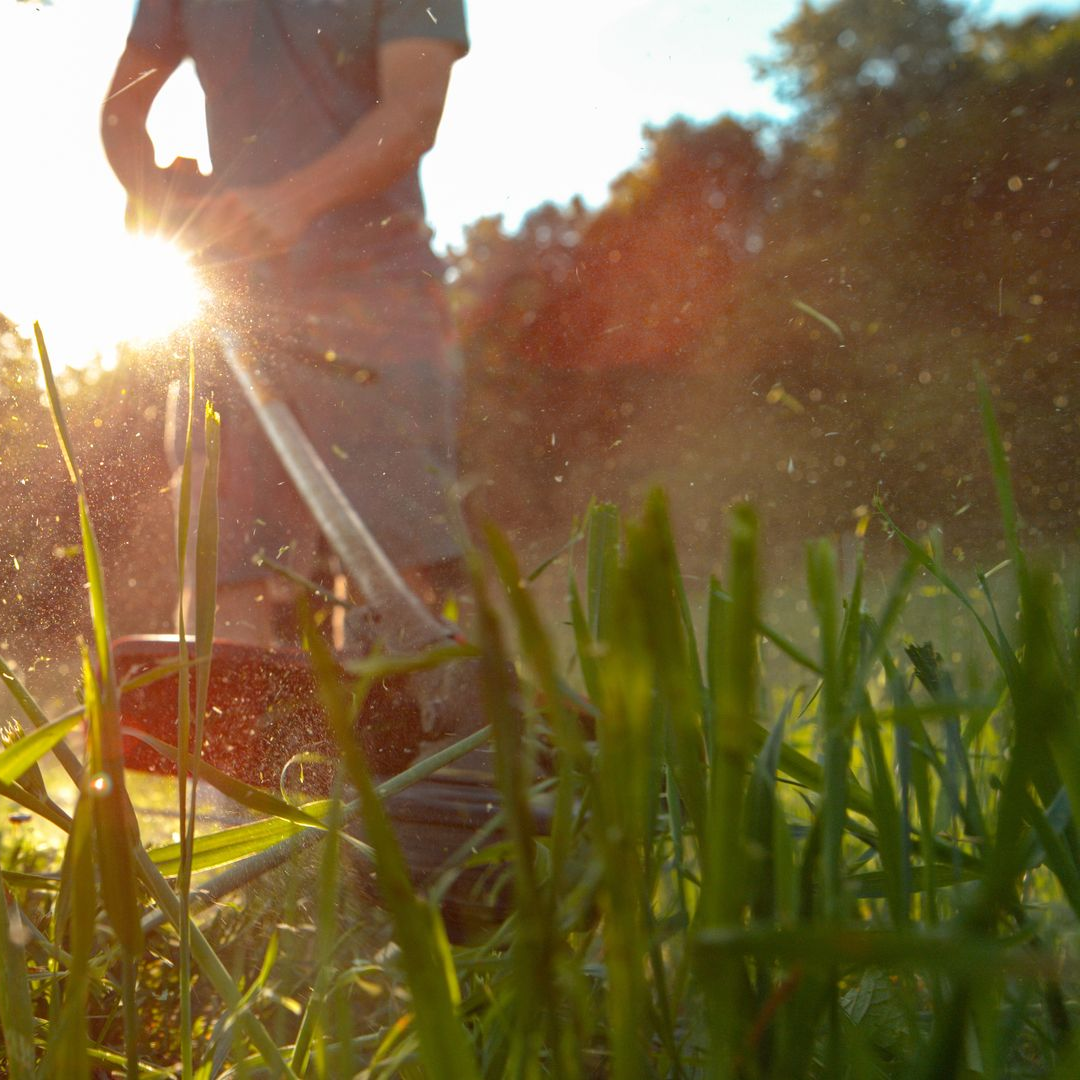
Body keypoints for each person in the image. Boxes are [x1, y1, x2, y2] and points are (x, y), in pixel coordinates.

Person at [100, 0, 471, 650]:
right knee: (225, 533)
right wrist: (154, 194)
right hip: (235, 282)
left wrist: (293, 200)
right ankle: (232, 726)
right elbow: (121, 111)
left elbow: (414, 113)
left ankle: (405, 719)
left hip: (376, 283)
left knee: (396, 530)